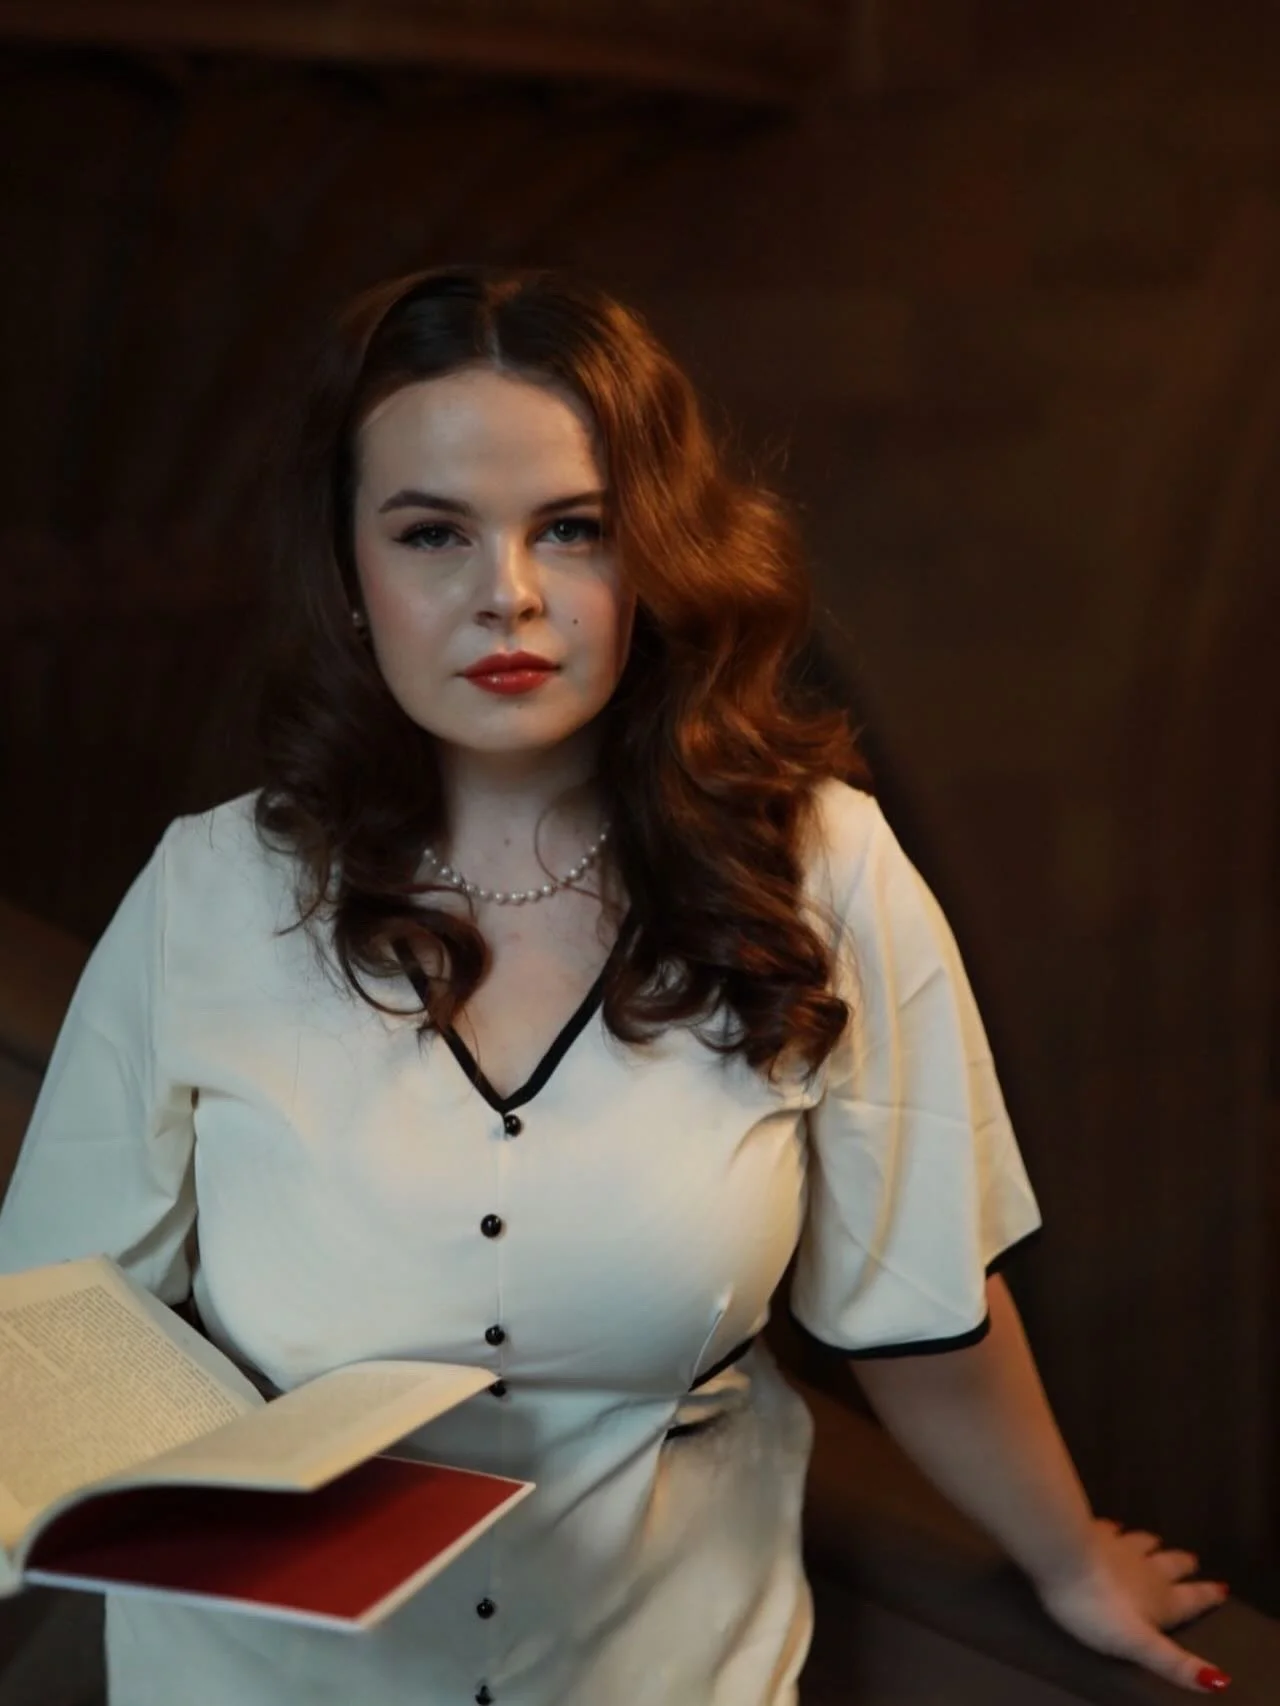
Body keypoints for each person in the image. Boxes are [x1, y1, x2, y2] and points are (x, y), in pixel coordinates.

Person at [0, 265, 1231, 1705]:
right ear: (348, 574)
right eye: (433, 533)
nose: (507, 595)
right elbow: (54, 1316)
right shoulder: (208, 895)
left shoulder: (823, 870)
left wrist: (1070, 1559)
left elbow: (925, 1302)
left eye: (572, 528)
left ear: (653, 555)